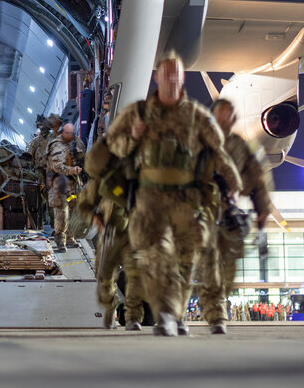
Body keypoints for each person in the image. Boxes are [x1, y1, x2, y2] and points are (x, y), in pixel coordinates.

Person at [105, 53, 241, 336]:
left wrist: (233, 186)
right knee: (155, 257)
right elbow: (114, 147)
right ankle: (162, 313)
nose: (171, 79)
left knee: (187, 260)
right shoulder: (138, 113)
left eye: (175, 74)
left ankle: (180, 315)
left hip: (186, 200)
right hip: (149, 200)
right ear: (157, 77)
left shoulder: (196, 115)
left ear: (182, 78)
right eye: (166, 73)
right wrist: (133, 135)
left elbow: (217, 153)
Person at [197, 99, 275, 334]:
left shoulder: (241, 146)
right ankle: (215, 314)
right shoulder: (198, 144)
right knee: (209, 265)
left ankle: (218, 303)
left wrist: (262, 218)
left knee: (229, 269)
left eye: (228, 116)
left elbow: (257, 181)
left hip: (230, 214)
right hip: (203, 213)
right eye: (220, 116)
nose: (224, 120)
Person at [80, 137, 146, 331]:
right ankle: (110, 308)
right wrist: (94, 217)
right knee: (105, 278)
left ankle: (133, 317)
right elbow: (84, 204)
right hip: (111, 233)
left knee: (136, 276)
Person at [45, 123, 84, 252]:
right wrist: (72, 170)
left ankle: (70, 237)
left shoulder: (74, 143)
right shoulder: (57, 145)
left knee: (73, 213)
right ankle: (60, 240)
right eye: (68, 133)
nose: (71, 136)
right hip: (60, 185)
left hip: (73, 185)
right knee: (62, 214)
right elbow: (57, 166)